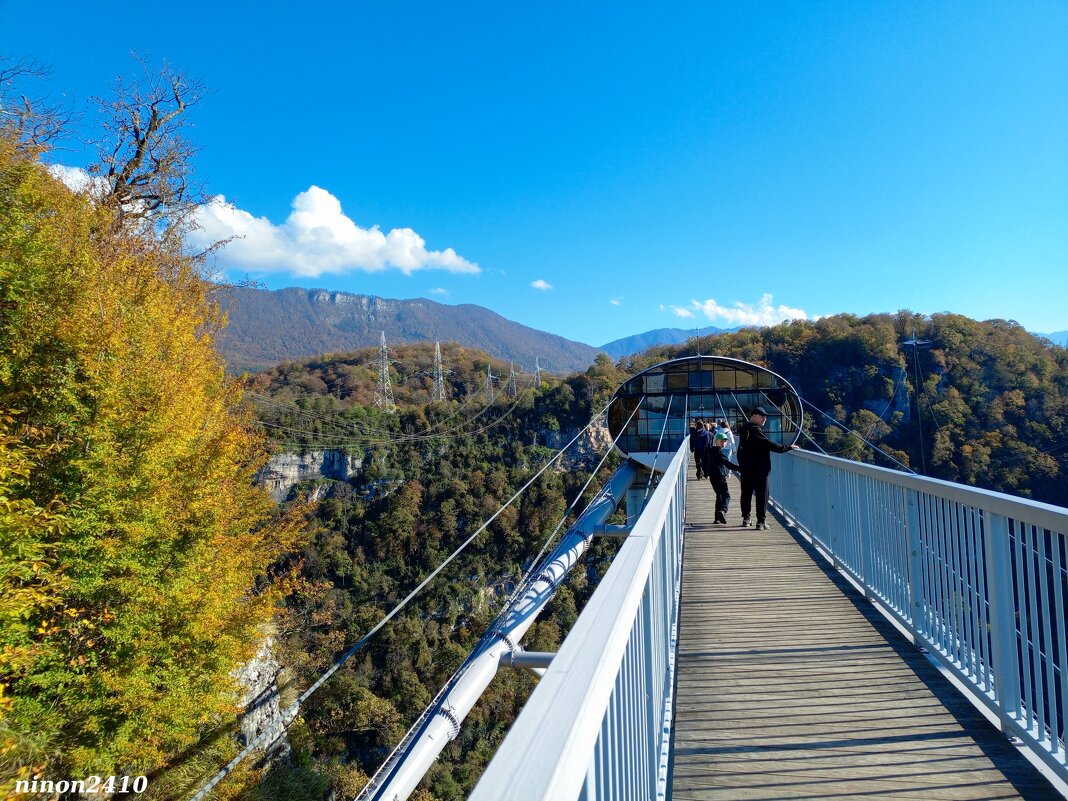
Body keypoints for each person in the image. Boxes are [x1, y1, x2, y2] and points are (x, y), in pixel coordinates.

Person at [736, 406, 799, 530]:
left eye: (765, 417)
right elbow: (768, 444)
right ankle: (761, 522)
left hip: (745, 468)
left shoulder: (744, 430)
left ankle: (746, 518)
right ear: (754, 415)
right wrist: (787, 447)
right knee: (762, 495)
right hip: (759, 469)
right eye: (762, 416)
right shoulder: (755, 430)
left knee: (746, 494)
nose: (765, 418)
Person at [705, 432, 740, 524]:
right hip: (720, 477)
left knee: (719, 496)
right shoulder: (719, 452)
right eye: (721, 441)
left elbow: (706, 462)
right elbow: (728, 464)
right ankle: (723, 511)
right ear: (716, 441)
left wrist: (706, 472)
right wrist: (740, 469)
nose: (723, 443)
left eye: (725, 441)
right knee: (726, 495)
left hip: (712, 477)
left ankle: (717, 518)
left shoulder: (711, 451)